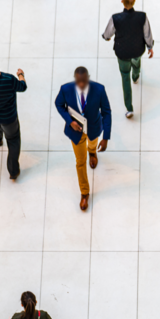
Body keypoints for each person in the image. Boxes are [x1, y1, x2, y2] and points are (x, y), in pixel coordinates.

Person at [54, 66, 112, 211]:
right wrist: (69, 121)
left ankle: (92, 152)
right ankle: (84, 193)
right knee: (80, 162)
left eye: (84, 81)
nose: (81, 84)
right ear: (75, 79)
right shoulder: (65, 89)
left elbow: (106, 112)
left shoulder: (99, 90)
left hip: (93, 129)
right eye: (78, 81)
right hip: (76, 132)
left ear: (88, 78)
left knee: (92, 145)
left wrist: (105, 138)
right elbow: (58, 104)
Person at [101, 0, 154, 119]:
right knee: (136, 62)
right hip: (137, 50)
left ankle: (129, 108)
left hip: (122, 52)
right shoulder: (142, 17)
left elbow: (107, 35)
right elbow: (147, 34)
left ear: (122, 1)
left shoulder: (116, 18)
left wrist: (107, 38)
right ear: (134, 0)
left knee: (125, 77)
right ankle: (136, 77)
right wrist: (150, 47)